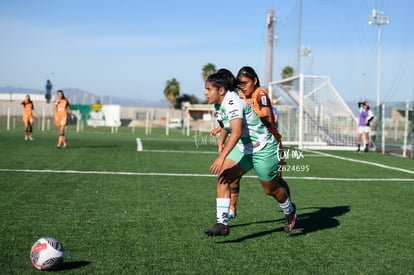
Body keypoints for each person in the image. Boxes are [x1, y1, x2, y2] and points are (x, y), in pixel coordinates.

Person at [203, 72, 296, 236]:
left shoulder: (233, 101)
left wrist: (222, 156)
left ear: (222, 90)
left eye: (209, 89)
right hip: (244, 148)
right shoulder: (218, 104)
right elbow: (226, 125)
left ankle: (290, 210)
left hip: (264, 148)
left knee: (271, 190)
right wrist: (220, 141)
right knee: (224, 177)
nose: (205, 93)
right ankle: (222, 224)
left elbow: (237, 131)